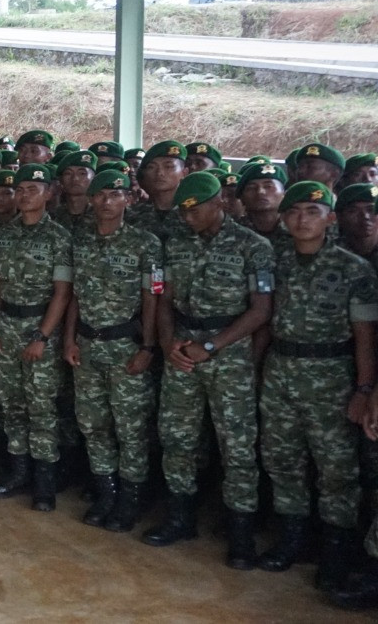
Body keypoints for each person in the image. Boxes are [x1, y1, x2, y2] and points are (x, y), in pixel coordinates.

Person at [143, 172, 274, 569]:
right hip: (182, 347)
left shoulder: (254, 246)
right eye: (183, 212)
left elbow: (261, 310)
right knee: (177, 437)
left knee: (236, 446)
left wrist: (212, 346)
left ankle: (241, 533)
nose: (187, 218)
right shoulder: (174, 245)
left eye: (195, 210)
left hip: (228, 354)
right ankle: (180, 517)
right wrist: (168, 343)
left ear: (219, 202)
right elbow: (162, 299)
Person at [257, 181, 376, 589]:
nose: (301, 219)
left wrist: (363, 390)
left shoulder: (353, 269)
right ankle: (292, 539)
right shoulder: (275, 260)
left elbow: (364, 336)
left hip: (332, 376)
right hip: (281, 370)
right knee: (282, 459)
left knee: (336, 469)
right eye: (293, 212)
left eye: (312, 211)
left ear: (329, 217)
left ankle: (335, 552)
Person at [63, 170, 160, 532]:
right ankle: (107, 492)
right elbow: (74, 295)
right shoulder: (81, 240)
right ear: (90, 200)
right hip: (87, 344)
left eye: (115, 195)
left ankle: (130, 500)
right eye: (100, 195)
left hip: (126, 346)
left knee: (130, 427)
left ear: (129, 199)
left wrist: (148, 346)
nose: (107, 201)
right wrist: (69, 339)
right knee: (93, 424)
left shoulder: (145, 243)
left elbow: (152, 298)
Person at [0, 164, 74, 511]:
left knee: (42, 408)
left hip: (39, 330)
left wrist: (42, 336)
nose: (24, 195)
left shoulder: (59, 237)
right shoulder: (3, 235)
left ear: (49, 193)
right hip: (6, 325)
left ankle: (44, 484)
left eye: (32, 189)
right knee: (11, 405)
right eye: (19, 190)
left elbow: (62, 294)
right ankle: (18, 473)